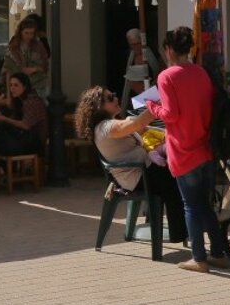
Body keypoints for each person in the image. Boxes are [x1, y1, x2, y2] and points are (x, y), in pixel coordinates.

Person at [145, 26, 228, 273]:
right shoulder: (200, 72)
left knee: (190, 205)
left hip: (183, 149)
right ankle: (218, 253)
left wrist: (151, 106)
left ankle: (199, 258)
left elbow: (170, 114)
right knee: (205, 204)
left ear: (168, 49)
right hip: (205, 147)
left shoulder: (166, 77)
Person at [75, 85, 186, 244]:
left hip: (143, 172)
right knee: (179, 176)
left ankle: (185, 228)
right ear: (98, 106)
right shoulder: (106, 127)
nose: (116, 98)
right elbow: (136, 125)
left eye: (114, 94)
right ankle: (183, 231)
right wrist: (157, 104)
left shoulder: (112, 124)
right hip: (139, 177)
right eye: (110, 98)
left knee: (180, 172)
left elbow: (145, 129)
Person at [0, 71, 48, 159]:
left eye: (16, 85)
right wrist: (1, 117)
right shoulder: (20, 101)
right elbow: (14, 121)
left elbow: (26, 125)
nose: (12, 88)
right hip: (24, 139)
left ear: (24, 87)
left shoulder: (32, 101)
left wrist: (3, 118)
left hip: (34, 144)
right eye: (11, 85)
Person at [0, 18, 50, 98]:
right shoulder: (14, 47)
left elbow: (45, 66)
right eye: (26, 33)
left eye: (32, 33)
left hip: (38, 84)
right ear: (20, 32)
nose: (29, 36)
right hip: (18, 86)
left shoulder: (39, 46)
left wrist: (34, 69)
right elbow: (8, 68)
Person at [120, 28, 163, 108]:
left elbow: (162, 71)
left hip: (151, 93)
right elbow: (126, 76)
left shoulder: (153, 54)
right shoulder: (128, 56)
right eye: (132, 45)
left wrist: (151, 86)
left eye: (137, 44)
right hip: (134, 97)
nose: (135, 47)